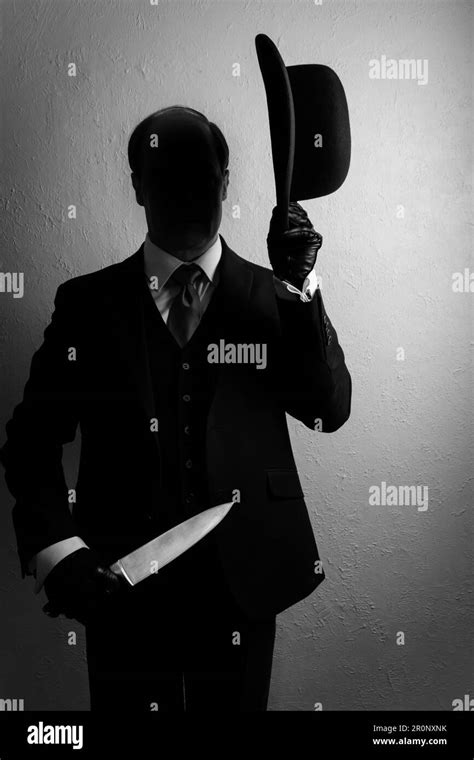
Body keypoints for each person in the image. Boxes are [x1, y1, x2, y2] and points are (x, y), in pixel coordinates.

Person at [0, 105, 352, 711]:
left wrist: (300, 289)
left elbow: (330, 407)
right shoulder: (87, 305)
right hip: (118, 585)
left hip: (245, 583)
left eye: (202, 171)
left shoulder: (276, 296)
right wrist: (59, 552)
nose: (188, 188)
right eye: (166, 173)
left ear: (225, 179)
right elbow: (31, 441)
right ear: (137, 185)